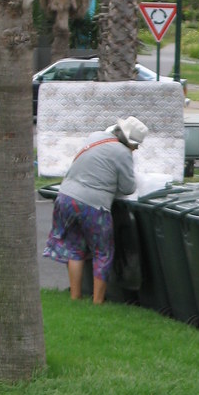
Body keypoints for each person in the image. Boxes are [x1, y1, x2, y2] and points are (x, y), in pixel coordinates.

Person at [44, 116, 148, 303]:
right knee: (103, 252)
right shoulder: (123, 153)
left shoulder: (96, 136)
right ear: (129, 142)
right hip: (93, 205)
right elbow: (128, 188)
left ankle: (75, 297)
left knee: (74, 249)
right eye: (136, 144)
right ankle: (97, 302)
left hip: (66, 197)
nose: (137, 148)